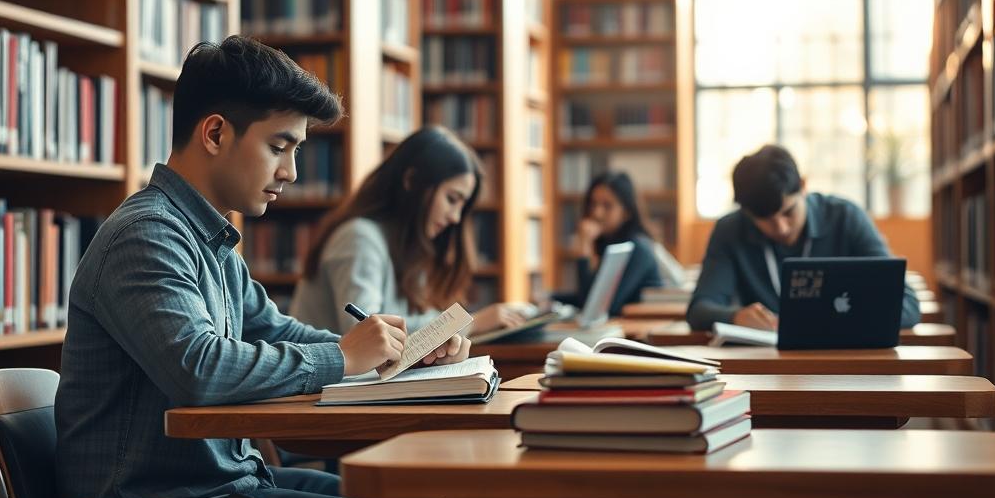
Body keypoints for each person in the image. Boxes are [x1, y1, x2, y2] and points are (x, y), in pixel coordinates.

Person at [55, 37, 466, 498]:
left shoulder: (211, 239)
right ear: (214, 134)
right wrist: (341, 358)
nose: (291, 172)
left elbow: (275, 330)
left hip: (227, 486)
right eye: (279, 147)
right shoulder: (146, 235)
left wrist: (404, 349)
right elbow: (200, 369)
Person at [290, 126, 530, 336]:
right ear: (412, 182)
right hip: (323, 387)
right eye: (451, 198)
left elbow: (405, 326)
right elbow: (364, 331)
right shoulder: (358, 237)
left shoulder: (407, 245)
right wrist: (469, 323)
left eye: (462, 206)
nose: (455, 218)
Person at [685, 144, 920, 331]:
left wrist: (841, 320)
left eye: (788, 212)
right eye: (765, 219)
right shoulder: (730, 229)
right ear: (746, 212)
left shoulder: (846, 217)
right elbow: (700, 309)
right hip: (764, 366)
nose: (782, 228)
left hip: (845, 360)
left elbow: (907, 305)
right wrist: (734, 316)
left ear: (804, 185)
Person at [555, 171, 664, 317]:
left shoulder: (638, 249)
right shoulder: (605, 244)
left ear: (626, 212)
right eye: (593, 204)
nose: (597, 213)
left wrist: (584, 252)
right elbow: (587, 297)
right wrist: (549, 299)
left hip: (641, 334)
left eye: (607, 206)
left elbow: (603, 307)